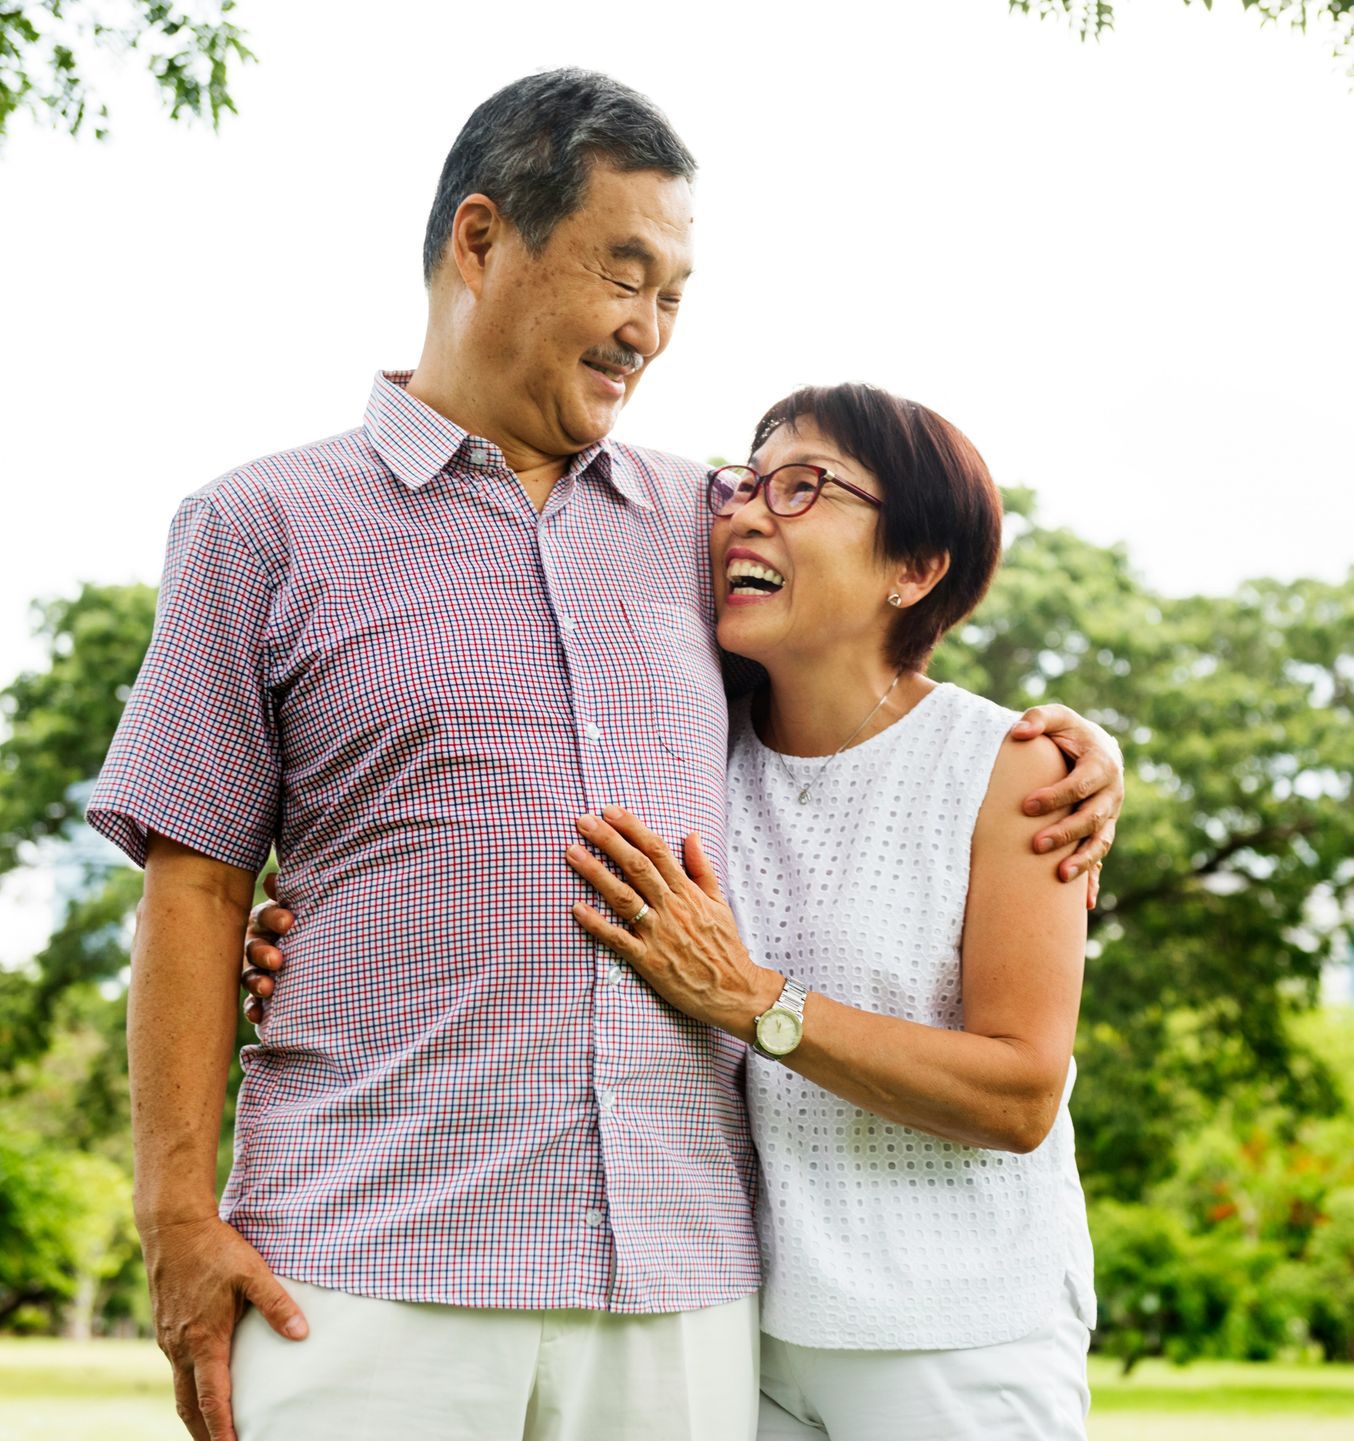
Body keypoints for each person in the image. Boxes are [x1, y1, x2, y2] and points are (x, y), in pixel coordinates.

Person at [89, 70, 1121, 1441]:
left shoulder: (703, 522)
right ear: (480, 240)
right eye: (623, 275)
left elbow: (859, 687)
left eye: (675, 296)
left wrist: (1070, 745)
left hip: (681, 1297)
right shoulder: (258, 525)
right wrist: (171, 1207)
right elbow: (197, 881)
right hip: (362, 1268)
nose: (649, 332)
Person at [250, 382, 1100, 1438]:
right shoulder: (698, 749)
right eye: (743, 484)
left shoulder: (1016, 767)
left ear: (916, 569)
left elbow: (1022, 1092)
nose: (744, 511)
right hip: (745, 1331)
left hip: (954, 1338)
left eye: (804, 487)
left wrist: (754, 1000)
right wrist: (316, 935)